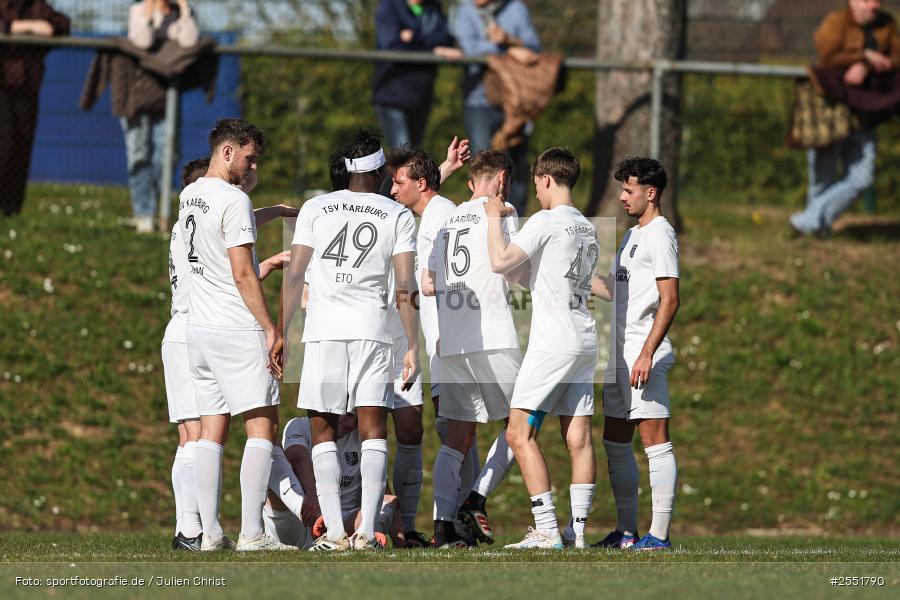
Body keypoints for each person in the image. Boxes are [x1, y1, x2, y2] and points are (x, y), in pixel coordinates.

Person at [281, 130, 419, 551]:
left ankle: (336, 534)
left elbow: (295, 273)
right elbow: (404, 285)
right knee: (374, 429)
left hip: (323, 330)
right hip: (372, 332)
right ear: (378, 170)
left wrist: (279, 330)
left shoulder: (316, 207)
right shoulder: (396, 215)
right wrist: (411, 343)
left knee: (321, 426)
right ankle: (365, 534)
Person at [164, 156, 294, 551]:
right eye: (251, 158)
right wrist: (273, 328)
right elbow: (237, 272)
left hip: (190, 328)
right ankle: (242, 532)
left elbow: (242, 229)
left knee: (200, 433)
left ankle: (201, 531)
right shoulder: (228, 202)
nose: (254, 167)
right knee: (256, 426)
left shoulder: (191, 204)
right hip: (221, 324)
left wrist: (284, 214)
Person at [482, 147, 600, 550]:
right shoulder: (586, 226)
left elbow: (499, 262)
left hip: (553, 342)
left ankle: (546, 529)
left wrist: (494, 220)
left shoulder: (547, 220)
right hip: (584, 338)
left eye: (535, 182)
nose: (535, 189)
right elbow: (527, 275)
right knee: (578, 437)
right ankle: (576, 533)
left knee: (518, 433)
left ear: (546, 179)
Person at [422, 150, 522, 548]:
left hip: (453, 338)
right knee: (524, 422)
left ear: (470, 182)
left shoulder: (447, 219)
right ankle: (475, 498)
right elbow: (513, 266)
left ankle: (442, 524)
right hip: (493, 334)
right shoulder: (503, 210)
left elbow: (428, 284)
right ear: (501, 179)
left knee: (457, 438)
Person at [592, 157, 680, 551]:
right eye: (622, 188)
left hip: (644, 353)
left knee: (654, 439)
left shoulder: (661, 235)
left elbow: (670, 299)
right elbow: (613, 290)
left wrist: (647, 353)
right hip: (620, 355)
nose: (622, 196)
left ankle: (658, 535)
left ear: (651, 193)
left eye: (629, 190)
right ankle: (627, 531)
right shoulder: (631, 236)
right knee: (615, 440)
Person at [789, 0, 900, 237]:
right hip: (831, 108)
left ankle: (805, 223)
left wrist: (867, 66)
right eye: (867, 0)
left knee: (862, 177)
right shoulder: (836, 22)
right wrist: (864, 57)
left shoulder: (887, 24)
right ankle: (817, 230)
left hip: (865, 110)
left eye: (877, 1)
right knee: (823, 175)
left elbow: (896, 56)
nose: (874, 6)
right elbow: (826, 55)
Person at [267, 416, 410, 549]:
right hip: (296, 520)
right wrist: (311, 496)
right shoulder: (300, 424)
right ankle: (306, 516)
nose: (348, 423)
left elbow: (381, 491)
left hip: (343, 525)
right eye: (345, 414)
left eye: (354, 418)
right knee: (269, 444)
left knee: (390, 501)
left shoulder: (364, 441)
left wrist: (400, 541)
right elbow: (297, 459)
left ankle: (364, 535)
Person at [454, 0, 539, 216]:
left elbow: (533, 48)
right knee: (484, 165)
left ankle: (514, 221)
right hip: (479, 101)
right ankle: (482, 220)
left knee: (517, 164)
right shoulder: (465, 10)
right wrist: (508, 49)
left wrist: (508, 39)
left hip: (516, 102)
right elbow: (469, 49)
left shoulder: (516, 8)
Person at [124, 0, 199, 232]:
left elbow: (189, 42)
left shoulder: (183, 14)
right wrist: (148, 13)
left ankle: (161, 210)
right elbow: (141, 41)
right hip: (136, 95)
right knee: (138, 155)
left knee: (164, 157)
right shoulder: (137, 11)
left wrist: (184, 9)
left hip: (167, 97)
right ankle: (143, 213)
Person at [0, 0, 70, 216]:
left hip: (27, 88)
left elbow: (61, 24)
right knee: (4, 143)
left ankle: (12, 209)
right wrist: (23, 27)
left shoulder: (36, 5)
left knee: (22, 146)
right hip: (2, 88)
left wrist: (27, 26)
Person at [374, 0, 461, 149]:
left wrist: (413, 37)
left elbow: (445, 39)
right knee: (402, 155)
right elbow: (392, 46)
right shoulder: (388, 6)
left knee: (413, 158)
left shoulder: (433, 7)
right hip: (392, 94)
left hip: (421, 94)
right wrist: (432, 48)